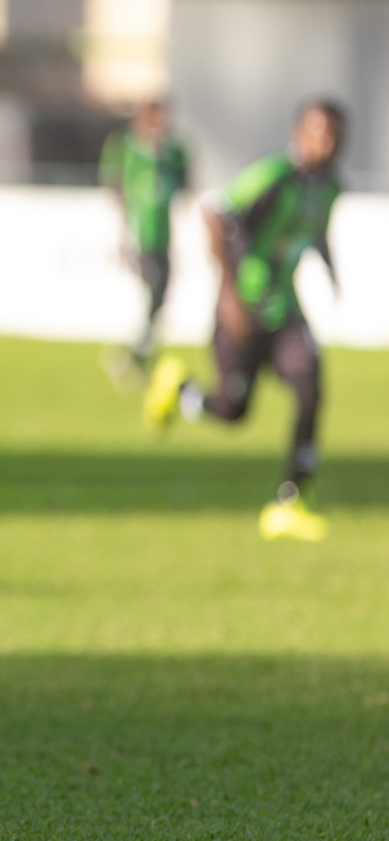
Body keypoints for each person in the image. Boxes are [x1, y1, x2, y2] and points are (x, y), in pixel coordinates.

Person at [144, 99, 345, 542]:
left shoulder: (329, 188)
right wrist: (232, 294)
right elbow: (216, 213)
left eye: (332, 135)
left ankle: (291, 502)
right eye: (317, 132)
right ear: (298, 134)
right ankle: (180, 391)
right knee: (233, 410)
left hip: (284, 310)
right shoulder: (275, 177)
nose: (324, 143)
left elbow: (316, 232)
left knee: (310, 385)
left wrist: (331, 269)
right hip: (244, 313)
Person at [99, 98, 189, 374]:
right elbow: (115, 185)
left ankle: (140, 350)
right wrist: (122, 232)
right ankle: (137, 349)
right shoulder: (125, 147)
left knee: (162, 293)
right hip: (140, 235)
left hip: (164, 235)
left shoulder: (173, 152)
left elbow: (182, 186)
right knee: (154, 285)